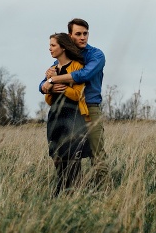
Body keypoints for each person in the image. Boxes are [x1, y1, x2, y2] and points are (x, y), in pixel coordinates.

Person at [39, 18, 107, 183]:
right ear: (70, 36)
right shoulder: (62, 59)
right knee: (68, 151)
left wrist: (54, 80)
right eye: (78, 34)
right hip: (68, 110)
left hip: (89, 108)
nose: (83, 37)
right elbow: (43, 84)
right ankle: (75, 187)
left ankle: (104, 190)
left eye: (85, 33)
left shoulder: (96, 55)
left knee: (96, 150)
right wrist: (47, 84)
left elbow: (83, 75)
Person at [42, 32, 92, 197]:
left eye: (53, 45)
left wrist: (58, 81)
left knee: (72, 156)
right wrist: (49, 85)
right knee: (57, 155)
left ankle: (74, 194)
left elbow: (78, 95)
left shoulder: (77, 66)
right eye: (50, 45)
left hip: (72, 115)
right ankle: (63, 191)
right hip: (55, 115)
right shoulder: (51, 70)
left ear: (63, 47)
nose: (50, 48)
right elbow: (49, 99)